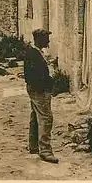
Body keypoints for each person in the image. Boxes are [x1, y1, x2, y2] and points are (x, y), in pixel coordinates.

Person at [23, 29, 58, 164]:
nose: (48, 41)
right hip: (39, 90)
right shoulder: (33, 54)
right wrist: (46, 86)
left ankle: (33, 146)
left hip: (35, 90)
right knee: (46, 118)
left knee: (35, 116)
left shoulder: (35, 52)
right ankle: (45, 151)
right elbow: (33, 77)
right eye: (46, 39)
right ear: (39, 39)